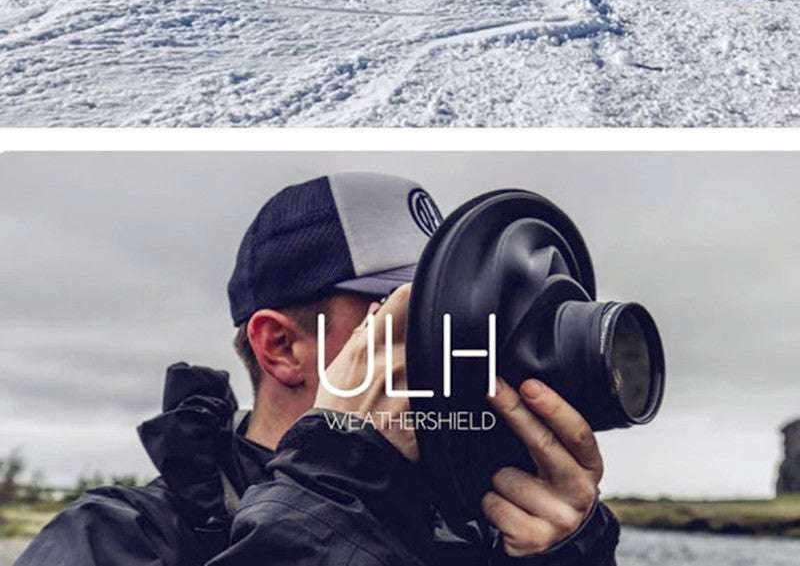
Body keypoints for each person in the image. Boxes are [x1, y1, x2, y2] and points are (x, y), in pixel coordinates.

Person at [18, 173, 620, 565]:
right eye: (411, 311)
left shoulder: (487, 527)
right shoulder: (113, 538)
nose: (454, 336)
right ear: (281, 346)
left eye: (458, 304)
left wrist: (573, 554)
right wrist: (332, 506)